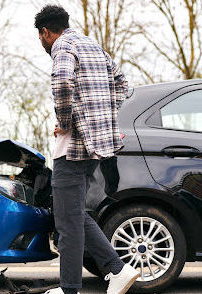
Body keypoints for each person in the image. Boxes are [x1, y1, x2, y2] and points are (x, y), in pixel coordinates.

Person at [34, 5, 139, 294]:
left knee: (67, 222)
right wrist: (103, 120)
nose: (42, 43)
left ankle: (70, 289)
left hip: (73, 148)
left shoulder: (62, 47)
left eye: (40, 38)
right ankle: (118, 269)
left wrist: (65, 123)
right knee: (75, 214)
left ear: (45, 32)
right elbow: (122, 83)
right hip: (96, 146)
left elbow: (62, 83)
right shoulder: (92, 44)